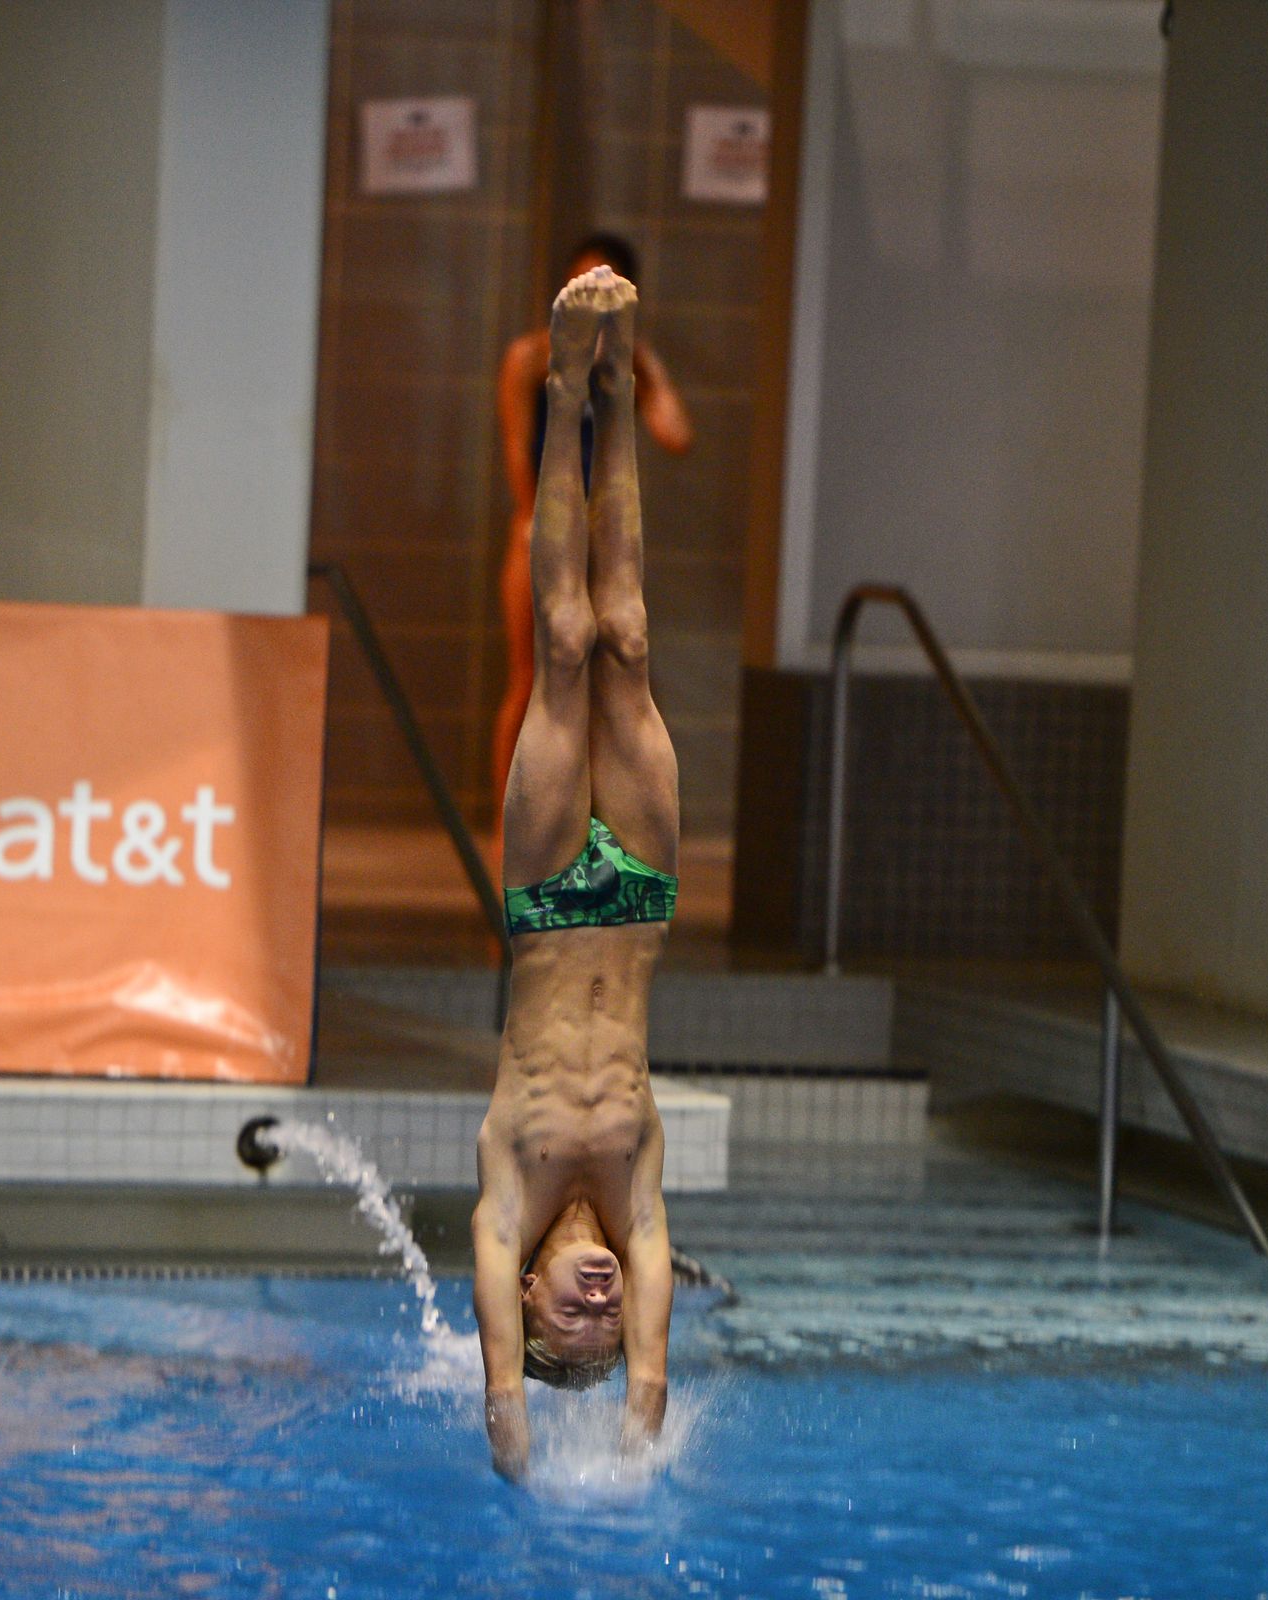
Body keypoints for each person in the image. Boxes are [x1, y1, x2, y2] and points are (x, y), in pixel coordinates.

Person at [473, 265, 679, 1483]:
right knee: (633, 640)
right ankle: (621, 361)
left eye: (570, 1314)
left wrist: (519, 1416)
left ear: (529, 1283)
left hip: (551, 901)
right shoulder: (637, 1184)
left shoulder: (515, 1171)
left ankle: (564, 392)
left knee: (565, 645)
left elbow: (505, 1394)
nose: (597, 1302)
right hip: (642, 900)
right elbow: (649, 1365)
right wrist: (632, 1409)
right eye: (605, 1318)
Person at [491, 234, 691, 840]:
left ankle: (611, 823)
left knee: (621, 682)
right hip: (544, 531)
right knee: (530, 680)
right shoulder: (531, 359)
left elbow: (675, 435)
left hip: (605, 541)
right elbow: (515, 450)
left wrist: (648, 366)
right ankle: (509, 825)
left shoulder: (627, 365)